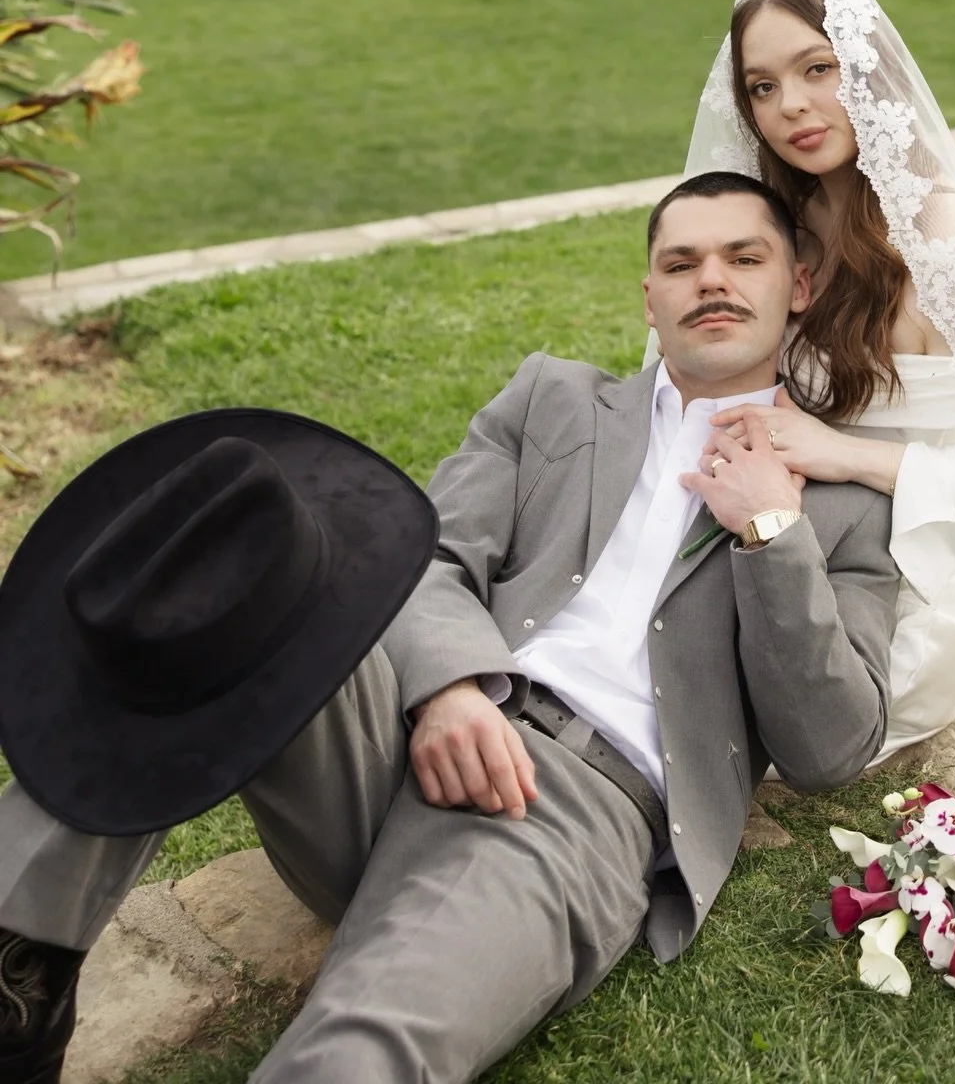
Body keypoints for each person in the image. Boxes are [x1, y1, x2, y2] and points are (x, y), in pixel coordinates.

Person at [0, 171, 897, 1084]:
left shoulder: (841, 507)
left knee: (369, 1039)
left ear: (801, 285)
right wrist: (450, 685)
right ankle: (16, 975)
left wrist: (769, 529)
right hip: (392, 733)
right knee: (209, 594)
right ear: (651, 297)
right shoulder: (554, 397)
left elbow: (830, 749)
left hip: (562, 806)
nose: (712, 280)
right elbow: (427, 558)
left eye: (745, 258)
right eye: (682, 262)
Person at [666, 0, 955, 753]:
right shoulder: (786, 221)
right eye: (763, 87)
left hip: (912, 584)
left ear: (866, 71)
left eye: (818, 69)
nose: (792, 106)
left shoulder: (947, 239)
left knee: (706, 712)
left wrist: (844, 453)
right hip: (792, 526)